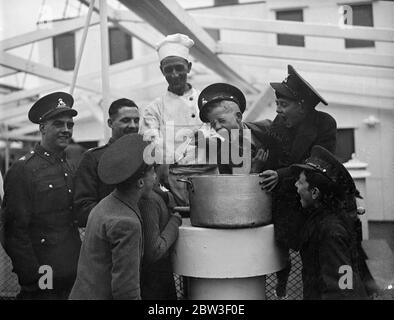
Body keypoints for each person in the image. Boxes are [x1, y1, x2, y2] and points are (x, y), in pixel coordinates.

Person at [259, 65, 337, 299]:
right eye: (277, 104)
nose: (278, 110)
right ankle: (280, 290)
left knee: (314, 264)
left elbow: (317, 164)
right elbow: (269, 156)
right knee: (279, 258)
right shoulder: (279, 123)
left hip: (312, 206)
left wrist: (281, 174)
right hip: (285, 205)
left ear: (302, 106)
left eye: (284, 105)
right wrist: (260, 164)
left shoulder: (325, 124)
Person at [2, 92, 81, 299]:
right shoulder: (23, 169)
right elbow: (13, 232)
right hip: (43, 277)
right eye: (58, 124)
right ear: (42, 127)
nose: (66, 130)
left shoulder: (68, 166)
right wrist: (35, 279)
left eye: (69, 125)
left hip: (71, 272)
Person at [69, 133, 156, 300]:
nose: (155, 177)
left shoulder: (106, 204)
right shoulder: (126, 223)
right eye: (152, 172)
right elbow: (126, 291)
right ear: (140, 182)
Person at [139, 33, 219, 206]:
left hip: (210, 178)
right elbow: (150, 142)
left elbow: (224, 136)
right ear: (162, 71)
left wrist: (207, 140)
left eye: (179, 68)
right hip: (173, 181)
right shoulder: (154, 109)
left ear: (189, 67)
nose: (174, 74)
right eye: (168, 70)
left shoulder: (208, 103)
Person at [291, 145, 368, 299]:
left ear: (314, 192)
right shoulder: (323, 218)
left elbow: (342, 287)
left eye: (300, 182)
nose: (296, 186)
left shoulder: (330, 230)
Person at [73, 98, 140, 227]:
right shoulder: (93, 158)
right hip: (111, 235)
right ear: (110, 123)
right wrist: (119, 219)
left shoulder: (144, 155)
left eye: (136, 120)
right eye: (125, 120)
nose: (133, 125)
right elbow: (83, 207)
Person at [197, 82, 283, 174]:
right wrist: (254, 170)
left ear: (238, 117)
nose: (217, 127)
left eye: (222, 121)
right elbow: (234, 186)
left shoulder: (267, 127)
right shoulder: (223, 154)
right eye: (213, 124)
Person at [139, 168, 182, 300]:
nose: (155, 176)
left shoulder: (158, 193)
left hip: (161, 274)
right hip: (153, 277)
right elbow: (154, 251)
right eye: (151, 173)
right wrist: (174, 222)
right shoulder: (149, 200)